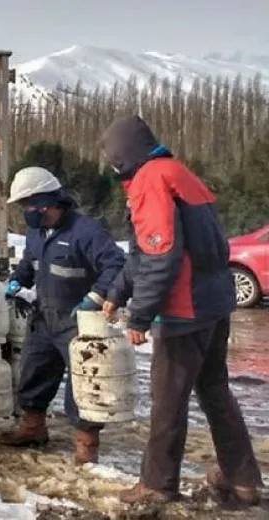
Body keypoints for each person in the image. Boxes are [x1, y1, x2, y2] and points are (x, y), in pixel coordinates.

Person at [100, 115, 263, 506]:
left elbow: (160, 256)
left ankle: (157, 485)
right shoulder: (179, 173)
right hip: (215, 303)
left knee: (168, 400)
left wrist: (140, 316)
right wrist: (116, 292)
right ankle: (242, 479)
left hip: (184, 309)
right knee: (215, 391)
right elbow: (146, 253)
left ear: (122, 156)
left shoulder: (150, 181)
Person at [0, 166, 127, 464]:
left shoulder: (86, 232)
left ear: (47, 201)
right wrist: (18, 280)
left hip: (79, 321)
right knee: (34, 372)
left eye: (27, 204)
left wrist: (95, 298)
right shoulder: (36, 232)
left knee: (83, 383)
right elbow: (30, 263)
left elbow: (116, 265)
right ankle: (33, 427)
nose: (25, 211)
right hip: (44, 317)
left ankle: (86, 446)